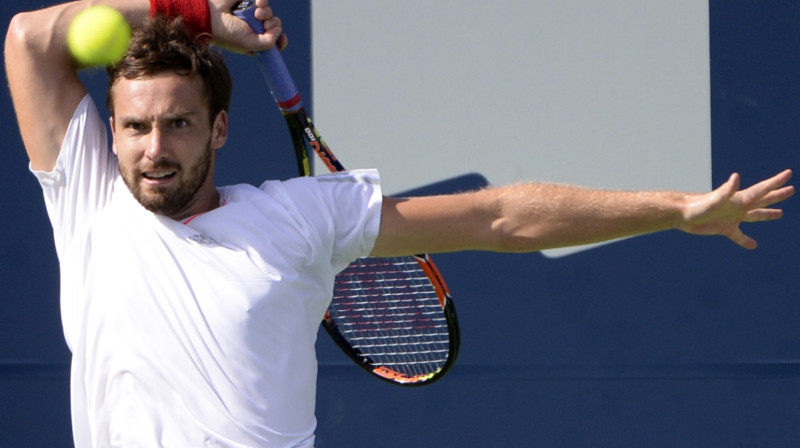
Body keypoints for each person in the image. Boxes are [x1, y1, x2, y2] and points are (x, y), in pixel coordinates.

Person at [4, 0, 794, 446]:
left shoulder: (301, 218)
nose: (153, 148)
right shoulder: (88, 201)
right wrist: (201, 18)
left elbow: (499, 216)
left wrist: (673, 208)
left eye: (177, 124)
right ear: (109, 132)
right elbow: (29, 37)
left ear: (217, 130)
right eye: (135, 127)